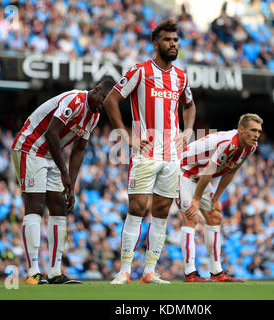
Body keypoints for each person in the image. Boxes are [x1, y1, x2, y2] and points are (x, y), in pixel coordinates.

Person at [103, 19, 196, 284]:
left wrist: (188, 131)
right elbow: (112, 99)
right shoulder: (140, 71)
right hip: (145, 152)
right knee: (137, 208)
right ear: (156, 44)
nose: (173, 45)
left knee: (162, 211)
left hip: (172, 156)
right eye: (168, 40)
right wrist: (124, 134)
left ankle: (150, 271)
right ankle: (124, 270)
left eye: (176, 41)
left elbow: (190, 106)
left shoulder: (181, 76)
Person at [12, 78, 116, 284]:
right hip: (30, 148)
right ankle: (33, 271)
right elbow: (52, 133)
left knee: (59, 207)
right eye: (104, 99)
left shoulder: (93, 117)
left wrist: (71, 185)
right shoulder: (75, 100)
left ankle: (55, 271)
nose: (104, 105)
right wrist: (64, 172)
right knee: (35, 205)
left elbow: (79, 150)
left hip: (51, 155)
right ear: (96, 90)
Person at [177, 113, 263, 282]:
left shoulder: (251, 147)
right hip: (183, 170)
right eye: (253, 130)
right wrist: (196, 199)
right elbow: (209, 171)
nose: (256, 135)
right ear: (241, 129)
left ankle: (216, 272)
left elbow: (231, 170)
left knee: (215, 215)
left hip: (199, 175)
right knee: (191, 216)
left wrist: (216, 197)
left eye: (259, 131)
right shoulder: (228, 143)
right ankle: (190, 273)